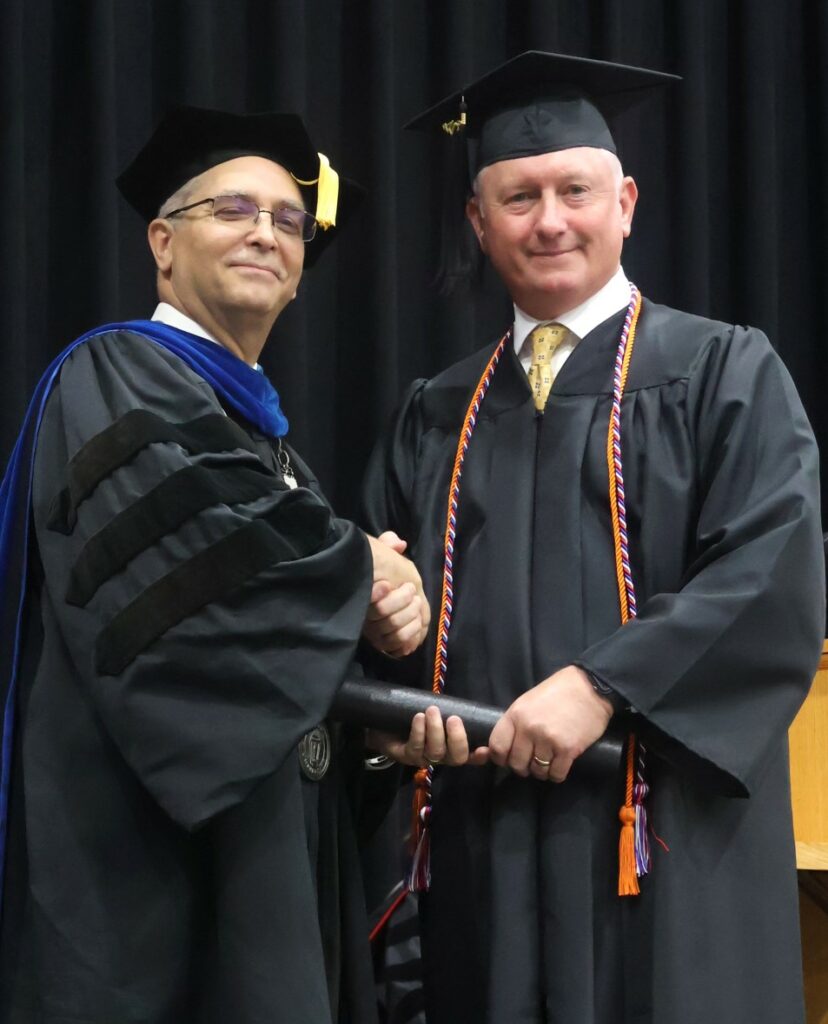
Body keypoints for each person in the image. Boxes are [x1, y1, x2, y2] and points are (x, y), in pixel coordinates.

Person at [361, 52, 825, 1024]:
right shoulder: (436, 412)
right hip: (487, 850)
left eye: (574, 190)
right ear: (478, 222)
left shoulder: (722, 373)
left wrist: (601, 685)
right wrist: (395, 688)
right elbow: (393, 607)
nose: (550, 220)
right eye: (518, 197)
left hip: (663, 844)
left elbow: (767, 573)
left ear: (626, 203)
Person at [0, 105, 430, 1023]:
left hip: (263, 878)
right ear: (163, 243)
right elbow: (200, 584)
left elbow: (272, 644)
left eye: (289, 221)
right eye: (233, 209)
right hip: (142, 882)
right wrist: (361, 570)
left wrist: (374, 736)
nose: (266, 233)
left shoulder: (274, 451)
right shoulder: (116, 373)